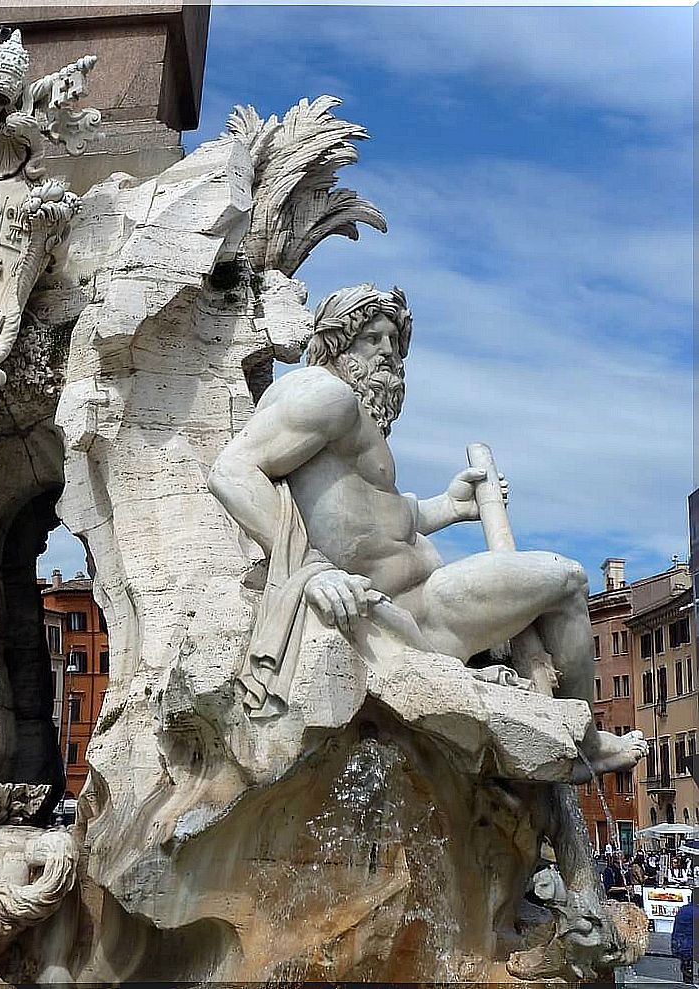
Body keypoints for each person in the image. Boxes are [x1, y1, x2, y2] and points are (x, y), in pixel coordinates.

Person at [207, 283, 649, 779]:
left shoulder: (355, 420)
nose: (388, 354)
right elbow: (232, 472)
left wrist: (449, 506)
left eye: (395, 344)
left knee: (559, 582)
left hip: (424, 603)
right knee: (568, 578)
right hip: (408, 611)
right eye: (373, 338)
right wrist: (310, 572)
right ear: (337, 342)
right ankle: (586, 741)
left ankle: (572, 729)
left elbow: (378, 519)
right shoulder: (322, 395)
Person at [673, 895, 695, 984]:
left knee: (687, 971)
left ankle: (688, 979)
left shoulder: (683, 909)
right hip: (690, 948)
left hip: (678, 945)